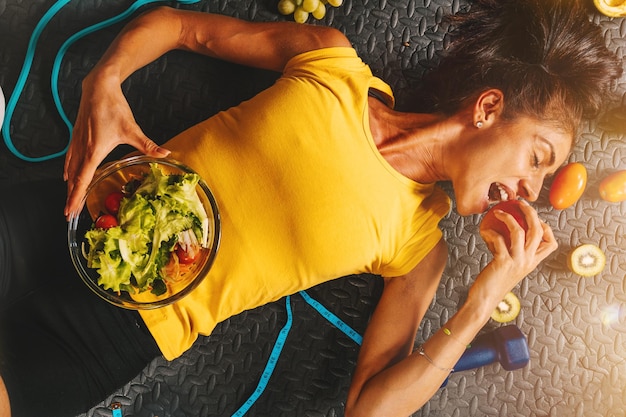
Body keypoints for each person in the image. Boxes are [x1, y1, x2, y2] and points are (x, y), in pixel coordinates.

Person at [0, 0, 622, 416]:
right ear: (488, 109)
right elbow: (176, 24)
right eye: (539, 156)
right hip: (78, 213)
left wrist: (485, 297)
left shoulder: (418, 251)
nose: (534, 191)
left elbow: (369, 410)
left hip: (113, 337)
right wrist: (102, 82)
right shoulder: (331, 64)